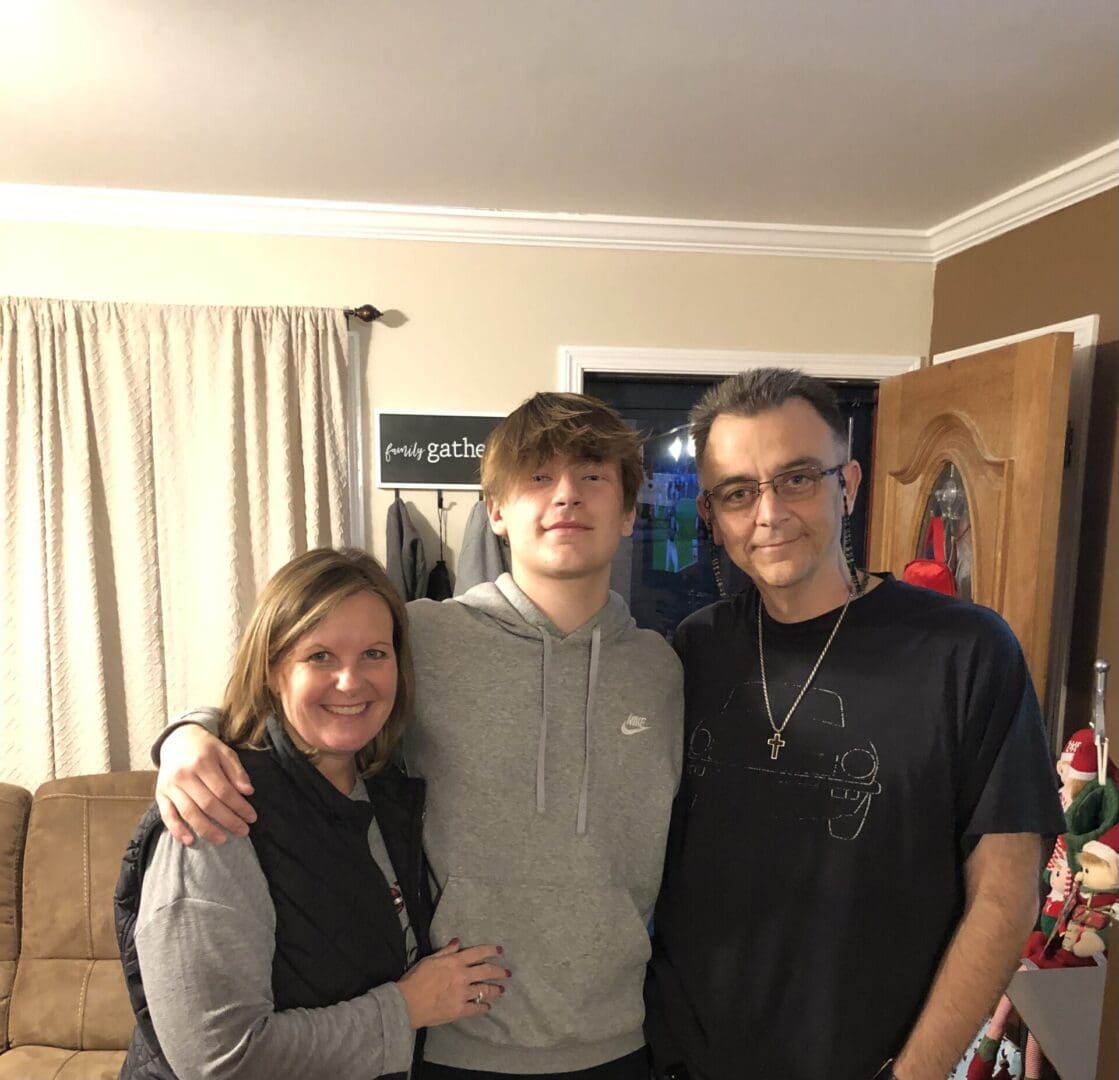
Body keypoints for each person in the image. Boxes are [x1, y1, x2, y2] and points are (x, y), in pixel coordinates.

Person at [150, 393, 685, 1079]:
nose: (565, 498)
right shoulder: (422, 637)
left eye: (591, 476)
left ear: (628, 511)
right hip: (453, 1036)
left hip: (620, 1039)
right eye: (537, 478)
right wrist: (186, 738)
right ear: (495, 511)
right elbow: (298, 693)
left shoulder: (663, 670)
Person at [645, 368, 1066, 1080]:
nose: (768, 513)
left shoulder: (962, 651)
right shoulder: (695, 647)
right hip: (683, 1058)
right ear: (712, 516)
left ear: (848, 482)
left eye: (797, 478)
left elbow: (1005, 892)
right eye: (739, 492)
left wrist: (915, 1072)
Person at [115, 548, 509, 1080]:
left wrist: (189, 728)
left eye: (374, 653)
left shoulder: (384, 787)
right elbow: (221, 1061)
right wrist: (407, 1007)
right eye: (320, 656)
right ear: (274, 669)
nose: (351, 682)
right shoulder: (216, 815)